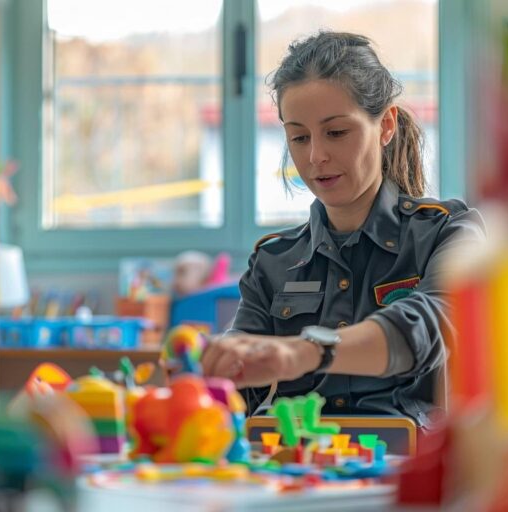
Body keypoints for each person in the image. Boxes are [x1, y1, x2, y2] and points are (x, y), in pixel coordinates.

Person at [201, 31, 485, 427]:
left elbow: (427, 327)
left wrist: (306, 352)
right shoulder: (272, 260)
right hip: (287, 473)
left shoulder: (448, 232)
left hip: (403, 473)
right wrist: (213, 367)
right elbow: (234, 380)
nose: (315, 156)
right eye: (299, 137)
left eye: (336, 132)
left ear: (386, 125)